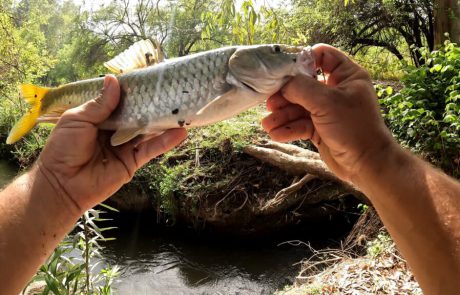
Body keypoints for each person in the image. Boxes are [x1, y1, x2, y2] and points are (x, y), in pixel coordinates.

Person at [0, 44, 458, 295]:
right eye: (278, 50)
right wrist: (377, 158)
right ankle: (47, 98)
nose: (292, 54)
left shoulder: (241, 77)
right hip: (119, 110)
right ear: (247, 59)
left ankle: (48, 103)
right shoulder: (232, 70)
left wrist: (56, 189)